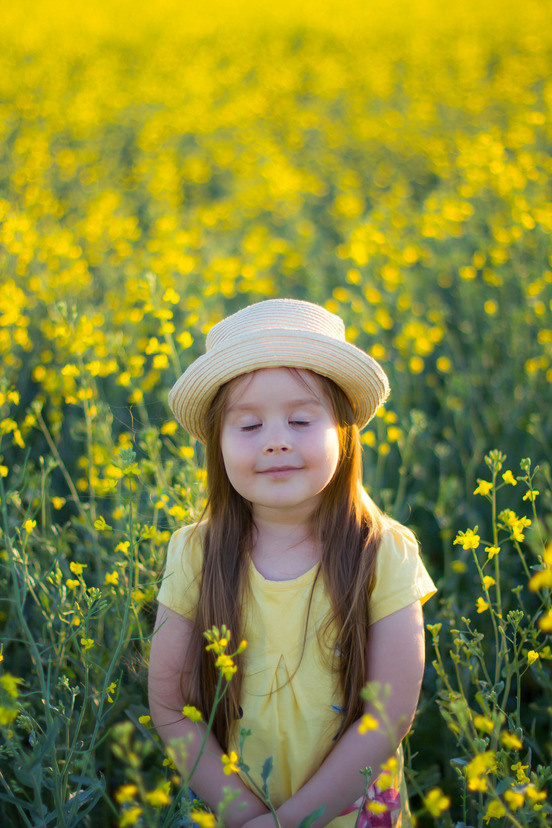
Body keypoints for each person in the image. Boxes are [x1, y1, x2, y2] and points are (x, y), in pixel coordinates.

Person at [149, 298, 436, 828]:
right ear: (217, 445)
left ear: (344, 431)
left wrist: (288, 823)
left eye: (301, 419)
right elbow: (170, 707)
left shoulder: (383, 552)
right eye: (249, 426)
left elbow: (388, 716)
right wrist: (248, 818)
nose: (277, 441)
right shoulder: (195, 553)